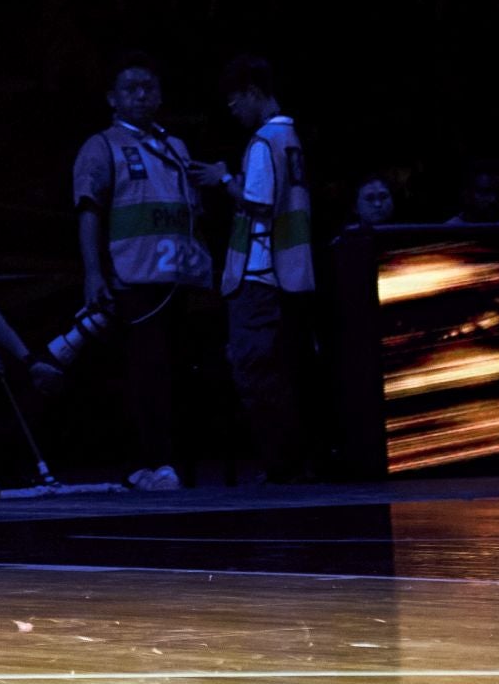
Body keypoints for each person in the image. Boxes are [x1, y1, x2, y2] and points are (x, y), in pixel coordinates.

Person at [66, 53, 214, 492]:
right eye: (131, 88)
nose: (141, 95)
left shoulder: (175, 147)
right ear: (113, 98)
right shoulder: (101, 146)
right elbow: (89, 212)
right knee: (144, 373)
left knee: (179, 373)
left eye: (149, 88)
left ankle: (174, 461)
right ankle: (145, 462)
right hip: (133, 278)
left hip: (179, 278)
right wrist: (93, 274)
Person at [190, 54, 316, 484]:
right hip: (286, 274)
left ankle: (281, 466)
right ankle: (290, 463)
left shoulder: (264, 141)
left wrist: (224, 179)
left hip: (259, 275)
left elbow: (260, 203)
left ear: (252, 93)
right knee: (279, 372)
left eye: (234, 101)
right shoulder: (291, 138)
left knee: (255, 373)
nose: (233, 111)